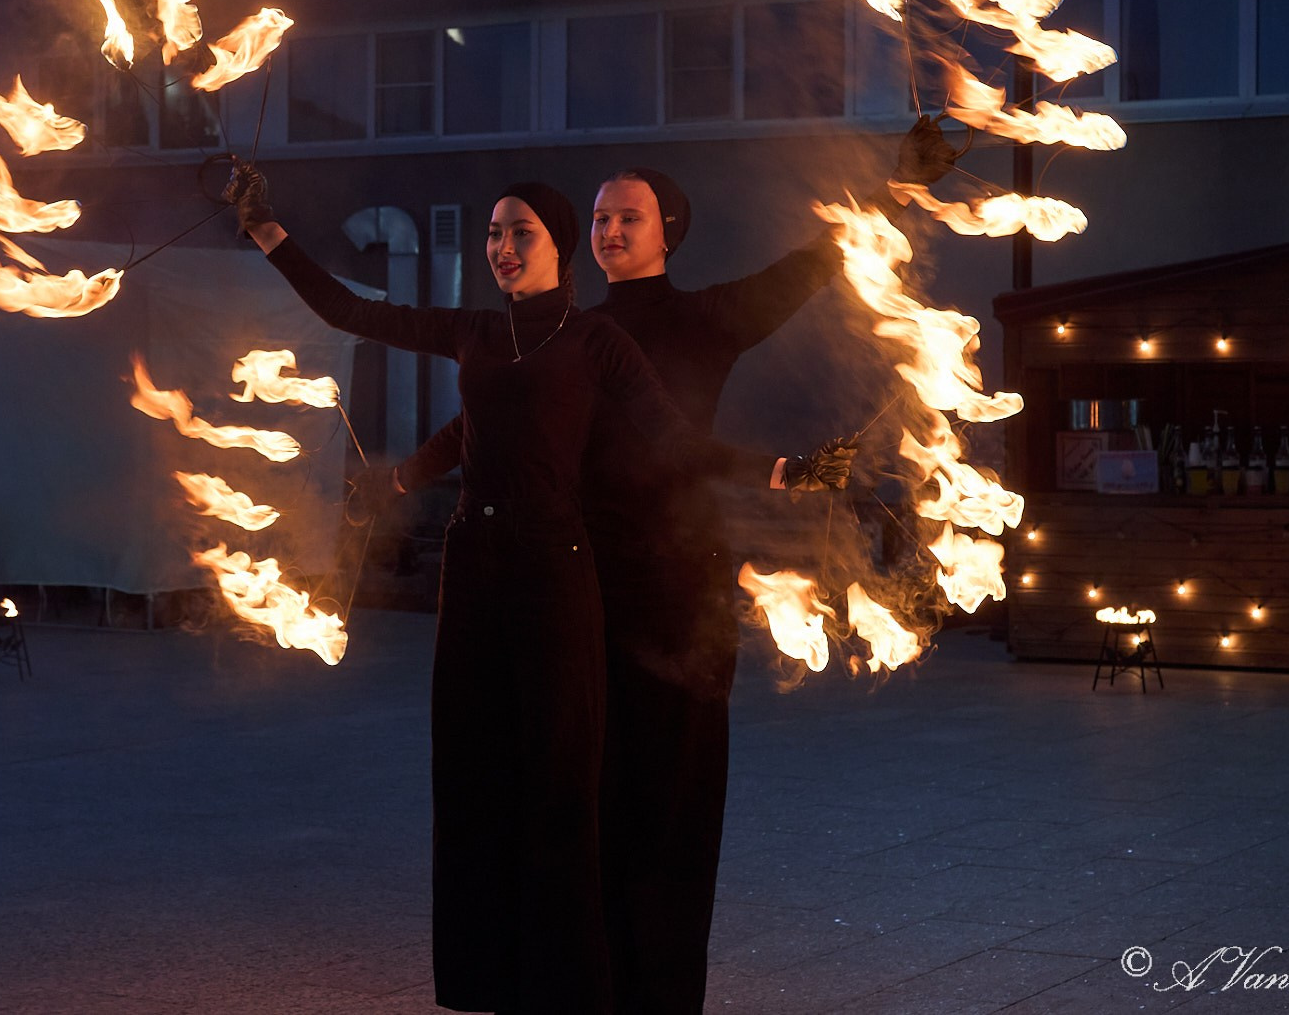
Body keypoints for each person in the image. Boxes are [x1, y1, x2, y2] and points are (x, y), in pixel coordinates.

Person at [229, 170, 849, 1015]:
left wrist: (782, 470)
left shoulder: (597, 343)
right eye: (494, 234)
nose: (503, 247)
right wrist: (269, 232)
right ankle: (503, 977)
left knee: (565, 785)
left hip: (563, 569)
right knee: (481, 775)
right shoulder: (480, 331)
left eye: (523, 232)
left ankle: (579, 983)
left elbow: (675, 440)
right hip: (474, 568)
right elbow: (361, 321)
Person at [385, 116, 958, 1015]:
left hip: (676, 590)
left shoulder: (708, 316)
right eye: (603, 218)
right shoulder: (565, 327)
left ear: (668, 233)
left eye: (631, 218)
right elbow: (490, 420)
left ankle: (656, 996)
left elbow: (816, 266)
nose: (611, 231)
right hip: (576, 585)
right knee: (576, 800)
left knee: (666, 803)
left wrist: (896, 189)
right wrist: (408, 472)